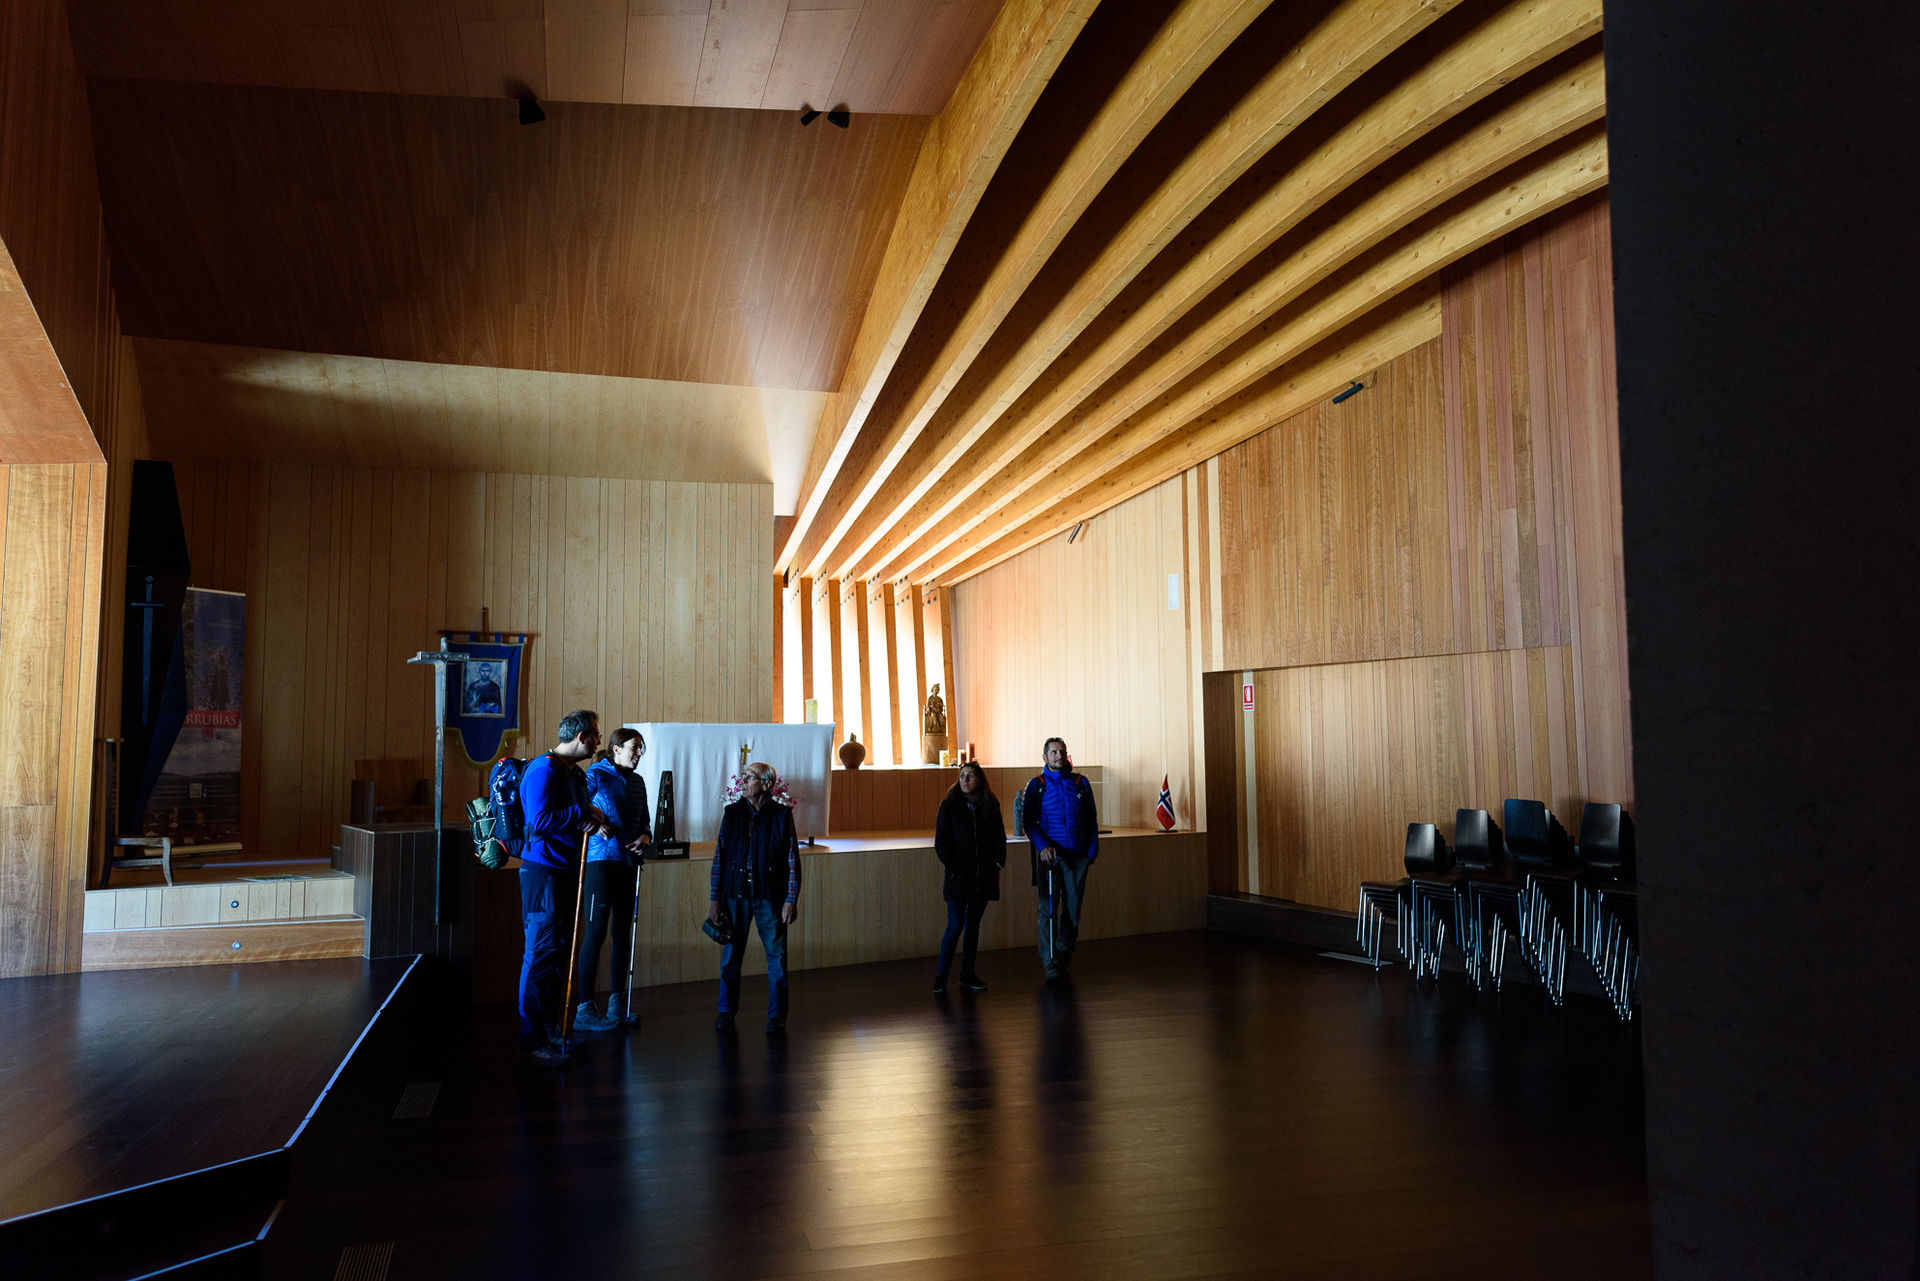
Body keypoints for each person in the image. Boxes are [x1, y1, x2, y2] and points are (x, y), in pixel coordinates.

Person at [517, 709, 613, 1064]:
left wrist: (587, 816)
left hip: (564, 870)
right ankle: (532, 1039)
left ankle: (551, 1031)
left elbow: (573, 815)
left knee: (558, 956)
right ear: (581, 737)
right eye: (596, 735)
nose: (599, 742)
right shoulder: (543, 769)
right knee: (540, 957)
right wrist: (583, 814)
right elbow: (539, 821)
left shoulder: (572, 772)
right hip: (543, 873)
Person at [708, 761, 802, 1032]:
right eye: (744, 776)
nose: (744, 781)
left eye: (750, 777)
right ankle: (725, 1010)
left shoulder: (781, 815)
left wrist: (790, 899)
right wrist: (715, 898)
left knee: (777, 957)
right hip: (735, 896)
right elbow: (720, 856)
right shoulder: (731, 813)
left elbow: (792, 859)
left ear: (767, 784)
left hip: (769, 897)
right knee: (731, 956)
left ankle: (777, 1015)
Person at [573, 727, 651, 1032]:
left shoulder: (638, 782)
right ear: (616, 749)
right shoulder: (595, 774)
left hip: (629, 862)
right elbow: (577, 807)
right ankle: (584, 1008)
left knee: (622, 933)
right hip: (601, 862)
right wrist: (595, 822)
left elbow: (645, 821)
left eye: (641, 748)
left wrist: (645, 837)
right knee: (595, 934)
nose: (638, 753)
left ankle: (618, 1004)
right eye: (634, 748)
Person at [1021, 737, 1099, 981]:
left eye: (1062, 752)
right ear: (1045, 757)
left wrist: (1091, 853)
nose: (1059, 756)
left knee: (1073, 912)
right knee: (1048, 911)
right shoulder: (1037, 785)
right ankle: (1050, 962)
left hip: (1078, 858)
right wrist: (1042, 846)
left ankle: (1062, 953)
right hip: (1051, 859)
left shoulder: (1080, 783)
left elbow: (1092, 819)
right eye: (1054, 752)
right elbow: (1028, 821)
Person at [933, 760, 1005, 994]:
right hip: (958, 878)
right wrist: (954, 867)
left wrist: (997, 864)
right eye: (962, 775)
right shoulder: (949, 805)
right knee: (954, 926)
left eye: (970, 775)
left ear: (979, 780)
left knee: (973, 926)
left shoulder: (990, 804)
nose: (965, 780)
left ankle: (967, 974)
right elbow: (941, 842)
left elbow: (999, 838)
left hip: (982, 877)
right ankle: (941, 977)